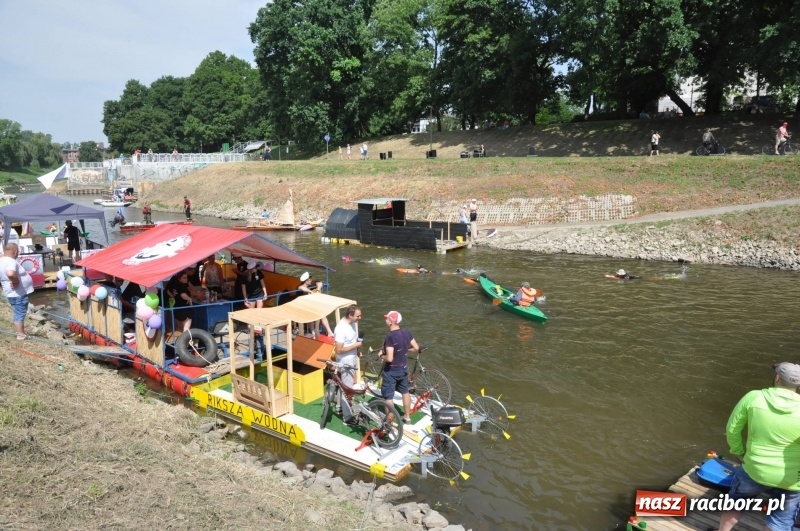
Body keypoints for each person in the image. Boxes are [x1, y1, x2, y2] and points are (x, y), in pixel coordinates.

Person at [717, 362, 800, 531]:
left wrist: (738, 452)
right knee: (779, 523)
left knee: (736, 504)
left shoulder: (754, 397)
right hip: (790, 478)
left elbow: (732, 429)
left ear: (777, 378)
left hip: (754, 469)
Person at [378, 310, 420, 424]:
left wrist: (382, 356)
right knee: (405, 392)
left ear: (391, 321)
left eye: (387, 318)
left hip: (391, 371)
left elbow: (390, 358)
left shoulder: (390, 337)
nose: (385, 320)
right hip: (403, 368)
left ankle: (389, 421)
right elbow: (416, 347)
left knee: (388, 397)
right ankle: (407, 417)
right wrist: (406, 349)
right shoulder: (406, 332)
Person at [0, 243, 34, 340]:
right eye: (18, 252)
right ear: (15, 252)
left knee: (17, 311)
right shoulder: (11, 261)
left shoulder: (1, 260)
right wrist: (16, 281)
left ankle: (19, 332)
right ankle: (20, 335)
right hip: (18, 293)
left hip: (11, 292)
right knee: (20, 312)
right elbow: (10, 273)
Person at [333, 305, 363, 414]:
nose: (359, 318)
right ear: (350, 315)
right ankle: (347, 416)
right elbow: (339, 350)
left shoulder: (353, 323)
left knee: (344, 386)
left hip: (352, 358)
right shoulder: (341, 329)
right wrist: (355, 346)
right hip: (346, 361)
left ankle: (340, 408)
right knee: (348, 389)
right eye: (357, 316)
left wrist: (356, 351)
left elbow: (350, 342)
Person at [296, 271, 333, 336]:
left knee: (323, 315)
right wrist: (311, 292)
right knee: (312, 314)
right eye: (310, 279)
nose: (311, 280)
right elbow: (302, 288)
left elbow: (320, 283)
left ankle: (329, 332)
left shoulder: (310, 285)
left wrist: (318, 289)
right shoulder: (300, 287)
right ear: (306, 281)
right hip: (301, 307)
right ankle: (313, 332)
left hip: (309, 306)